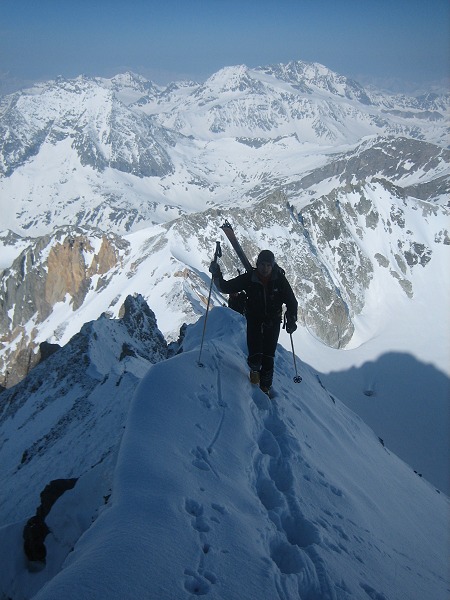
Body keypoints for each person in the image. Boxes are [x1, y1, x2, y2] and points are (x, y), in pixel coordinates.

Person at [209, 249, 298, 395]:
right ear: (257, 264)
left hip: (273, 321)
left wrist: (292, 318)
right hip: (254, 320)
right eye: (262, 264)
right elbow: (225, 287)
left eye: (268, 265)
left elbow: (291, 301)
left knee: (269, 357)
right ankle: (255, 372)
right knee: (255, 356)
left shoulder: (279, 280)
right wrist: (217, 274)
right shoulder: (250, 278)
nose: (265, 268)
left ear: (272, 265)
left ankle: (265, 388)